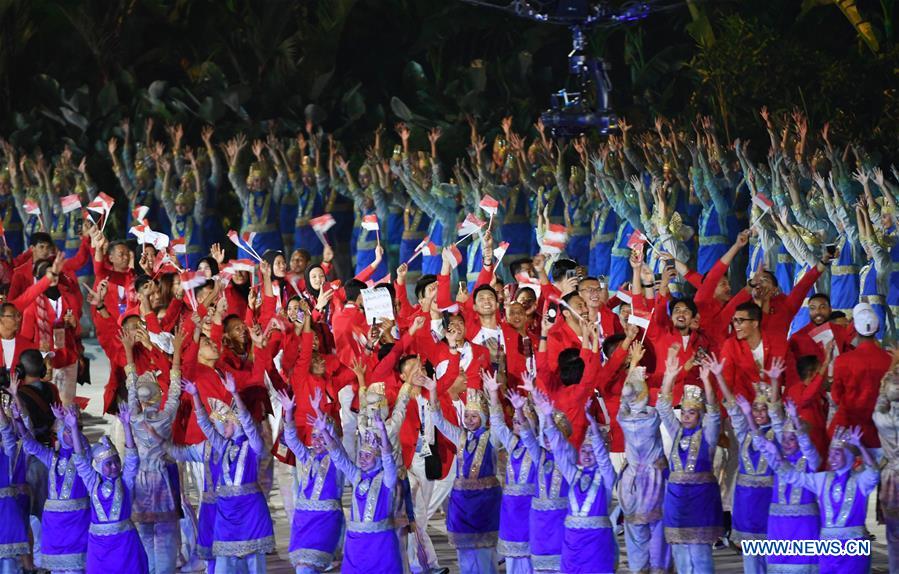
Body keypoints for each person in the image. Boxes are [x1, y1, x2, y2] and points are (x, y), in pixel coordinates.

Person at [186, 374, 274, 574]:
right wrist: (195, 396)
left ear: (236, 423)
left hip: (251, 513)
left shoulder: (254, 446)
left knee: (254, 567)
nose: (222, 426)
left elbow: (250, 428)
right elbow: (205, 426)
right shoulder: (223, 445)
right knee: (225, 567)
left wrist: (235, 392)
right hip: (227, 515)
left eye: (226, 423)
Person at [776, 426, 880, 573]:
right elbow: (795, 477)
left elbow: (874, 472)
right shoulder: (823, 479)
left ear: (848, 455)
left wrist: (860, 446)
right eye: (830, 454)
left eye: (837, 454)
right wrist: (778, 457)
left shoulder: (860, 481)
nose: (832, 459)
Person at [535, 392, 618, 574]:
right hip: (572, 544)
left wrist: (593, 425)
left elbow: (604, 460)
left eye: (592, 451)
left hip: (596, 545)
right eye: (584, 450)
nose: (587, 454)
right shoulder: (574, 475)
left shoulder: (607, 477)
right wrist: (548, 416)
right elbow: (558, 449)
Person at [427, 381, 501, 574]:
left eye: (474, 416)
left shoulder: (492, 437)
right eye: (466, 415)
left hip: (484, 504)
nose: (469, 420)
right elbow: (438, 421)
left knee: (484, 555)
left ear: (483, 418)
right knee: (465, 555)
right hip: (462, 506)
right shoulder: (460, 436)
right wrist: (433, 391)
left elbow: (499, 420)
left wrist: (493, 395)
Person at [657, 355, 723, 572]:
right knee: (681, 553)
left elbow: (714, 413)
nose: (685, 417)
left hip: (700, 503)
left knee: (700, 555)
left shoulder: (708, 435)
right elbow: (664, 408)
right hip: (677, 502)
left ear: (699, 414)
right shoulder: (676, 432)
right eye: (683, 412)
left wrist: (707, 381)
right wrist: (669, 377)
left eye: (691, 412)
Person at [316, 410, 402, 573]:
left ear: (377, 458)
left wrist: (383, 431)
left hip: (380, 544)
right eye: (361, 454)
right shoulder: (356, 475)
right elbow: (338, 456)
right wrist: (325, 432)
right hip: (356, 545)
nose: (362, 458)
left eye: (367, 456)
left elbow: (388, 459)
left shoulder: (386, 479)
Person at [68, 404, 150, 573]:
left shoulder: (126, 480)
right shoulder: (92, 482)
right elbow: (80, 461)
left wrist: (127, 426)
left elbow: (132, 457)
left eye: (116, 462)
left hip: (124, 544)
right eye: (108, 464)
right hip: (99, 546)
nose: (114, 467)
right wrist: (74, 428)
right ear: (98, 467)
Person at [275, 389, 345, 574]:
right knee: (302, 567)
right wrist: (289, 412)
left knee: (307, 568)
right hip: (303, 520)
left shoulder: (339, 459)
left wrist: (320, 415)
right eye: (314, 436)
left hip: (325, 520)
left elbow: (334, 444)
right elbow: (291, 439)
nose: (317, 441)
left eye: (322, 436)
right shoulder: (308, 457)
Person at [16, 402, 91, 574]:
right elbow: (30, 443)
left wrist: (66, 421)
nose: (70, 435)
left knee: (76, 569)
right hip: (54, 525)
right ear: (58, 434)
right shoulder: (52, 458)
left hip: (77, 523)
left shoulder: (84, 457)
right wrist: (18, 420)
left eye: (73, 431)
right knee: (56, 570)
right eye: (65, 431)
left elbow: (83, 446)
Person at [616, 351, 669, 573]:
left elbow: (625, 396)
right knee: (658, 529)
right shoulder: (652, 418)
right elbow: (661, 399)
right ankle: (659, 568)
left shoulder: (623, 418)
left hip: (631, 484)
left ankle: (639, 569)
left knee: (635, 532)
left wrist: (634, 366)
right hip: (654, 482)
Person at [754, 400, 822, 573]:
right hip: (779, 525)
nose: (786, 443)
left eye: (792, 439)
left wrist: (795, 419)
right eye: (783, 439)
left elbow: (807, 445)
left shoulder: (811, 461)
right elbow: (760, 442)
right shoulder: (779, 462)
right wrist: (748, 414)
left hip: (804, 525)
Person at [484, 371, 535, 574]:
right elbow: (497, 423)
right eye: (514, 420)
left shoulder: (538, 448)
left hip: (530, 508)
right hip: (511, 510)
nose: (516, 422)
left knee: (530, 560)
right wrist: (494, 394)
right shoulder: (513, 444)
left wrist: (532, 399)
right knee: (513, 560)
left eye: (521, 419)